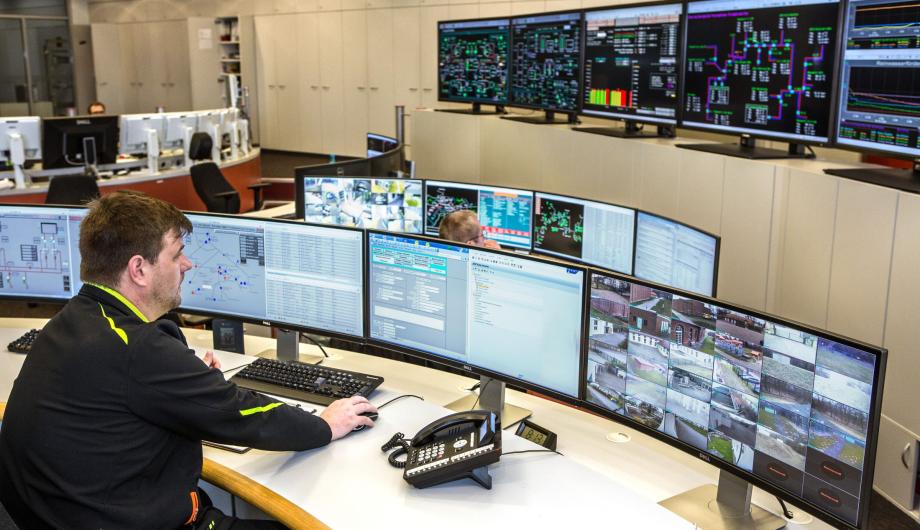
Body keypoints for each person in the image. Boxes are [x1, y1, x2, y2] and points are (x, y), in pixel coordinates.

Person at [0, 191, 376, 529]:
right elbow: (238, 413)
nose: (188, 264)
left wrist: (186, 382)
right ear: (139, 269)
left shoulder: (73, 320)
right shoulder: (139, 348)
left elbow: (130, 391)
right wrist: (325, 424)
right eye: (176, 253)